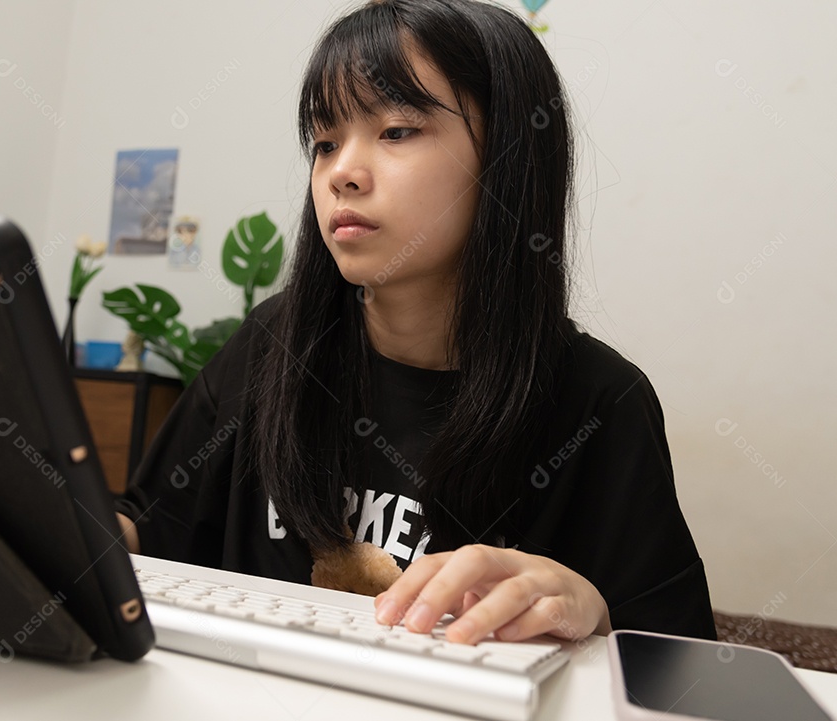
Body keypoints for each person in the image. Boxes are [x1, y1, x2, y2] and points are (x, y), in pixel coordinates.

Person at [114, 0, 717, 644]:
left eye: (396, 130)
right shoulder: (272, 347)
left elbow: (678, 665)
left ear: (509, 155)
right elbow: (147, 533)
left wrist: (592, 608)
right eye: (323, 142)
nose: (340, 172)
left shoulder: (600, 402)